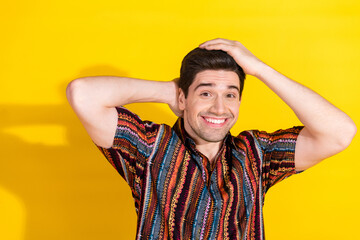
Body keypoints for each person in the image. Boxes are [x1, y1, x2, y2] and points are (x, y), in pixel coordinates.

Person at [66, 38, 356, 240]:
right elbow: (83, 94)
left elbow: (340, 133)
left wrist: (258, 69)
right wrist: (170, 93)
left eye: (230, 95)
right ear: (184, 97)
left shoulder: (257, 154)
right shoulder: (150, 147)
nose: (219, 108)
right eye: (205, 93)